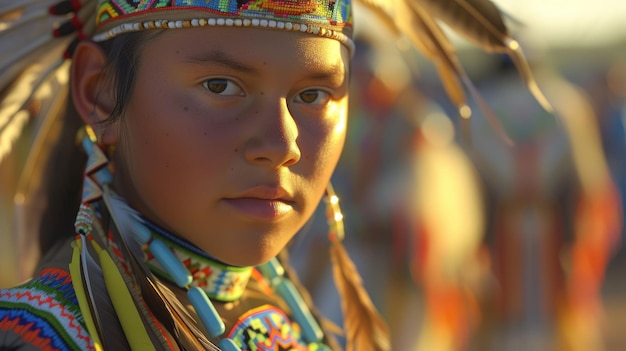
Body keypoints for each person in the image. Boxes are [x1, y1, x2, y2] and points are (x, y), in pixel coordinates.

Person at [0, 0, 545, 350]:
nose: (282, 145)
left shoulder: (279, 319)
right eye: (220, 87)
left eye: (314, 96)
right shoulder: (39, 337)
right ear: (100, 90)